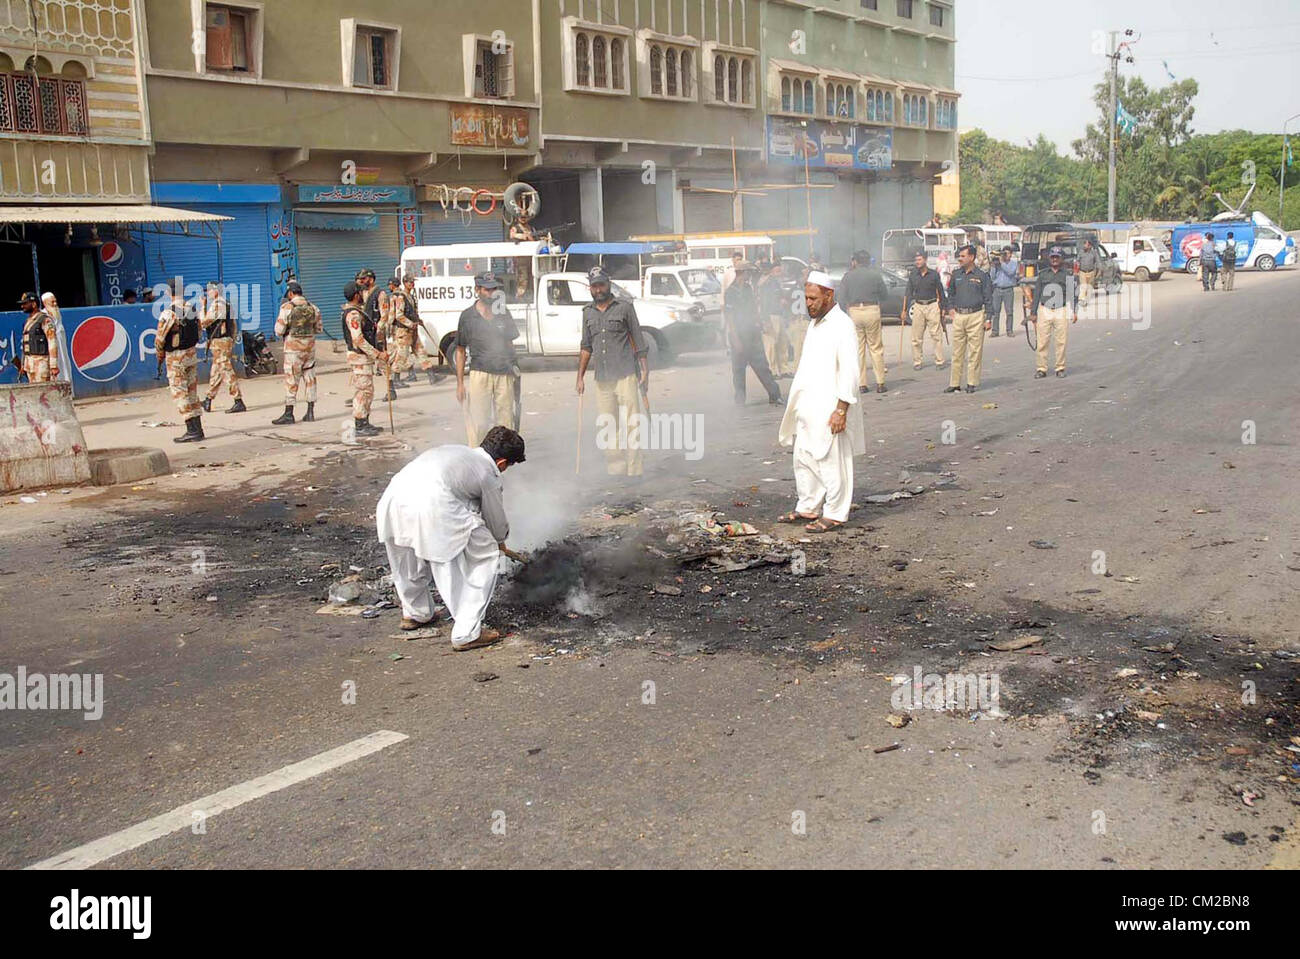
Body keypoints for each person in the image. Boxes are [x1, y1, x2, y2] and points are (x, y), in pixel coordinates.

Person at [376, 426, 526, 648]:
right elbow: (495, 523)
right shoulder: (489, 472)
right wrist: (499, 542)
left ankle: (415, 613)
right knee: (484, 556)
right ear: (502, 463)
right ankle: (467, 633)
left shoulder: (458, 451)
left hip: (393, 500)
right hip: (431, 507)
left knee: (408, 556)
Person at [776, 271, 864, 535]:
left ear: (829, 295)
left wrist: (841, 409)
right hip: (807, 406)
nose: (809, 303)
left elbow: (850, 370)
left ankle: (836, 513)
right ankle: (808, 507)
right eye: (806, 298)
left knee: (831, 460)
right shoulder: (816, 323)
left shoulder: (842, 324)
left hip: (829, 407)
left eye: (814, 298)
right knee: (803, 458)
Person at [576, 266, 650, 477]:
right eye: (594, 286)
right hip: (602, 378)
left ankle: (635, 470)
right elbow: (586, 346)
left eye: (601, 285)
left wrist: (645, 371)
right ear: (590, 288)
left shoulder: (624, 308)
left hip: (626, 374)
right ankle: (616, 469)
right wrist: (579, 377)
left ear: (608, 284)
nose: (598, 289)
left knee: (632, 423)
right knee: (608, 425)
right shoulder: (587, 312)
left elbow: (639, 340)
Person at [456, 272, 521, 444]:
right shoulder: (467, 316)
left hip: (504, 373)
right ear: (477, 289)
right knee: (479, 422)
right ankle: (476, 457)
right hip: (480, 373)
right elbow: (461, 350)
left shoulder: (503, 313)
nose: (491, 293)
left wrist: (515, 370)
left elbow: (510, 344)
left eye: (494, 289)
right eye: (487, 289)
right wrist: (460, 383)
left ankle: (504, 461)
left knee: (506, 422)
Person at [722, 260, 782, 407]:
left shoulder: (748, 288)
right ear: (741, 273)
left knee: (762, 366)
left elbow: (753, 309)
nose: (750, 275)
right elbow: (729, 317)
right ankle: (740, 400)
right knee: (738, 370)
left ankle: (774, 395)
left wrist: (759, 322)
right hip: (739, 335)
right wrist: (735, 339)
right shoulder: (730, 292)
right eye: (748, 272)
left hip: (752, 334)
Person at [156, 281, 204, 443]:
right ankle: (198, 429)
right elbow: (199, 330)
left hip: (176, 357)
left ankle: (191, 430)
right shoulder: (191, 308)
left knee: (180, 392)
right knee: (192, 392)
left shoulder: (168, 313)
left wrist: (160, 355)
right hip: (191, 354)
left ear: (169, 293)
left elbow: (160, 339)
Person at [943, 245, 992, 395]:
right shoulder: (956, 274)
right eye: (959, 256)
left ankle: (972, 382)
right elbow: (950, 294)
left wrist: (988, 318)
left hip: (976, 316)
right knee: (957, 352)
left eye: (963, 256)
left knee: (974, 352)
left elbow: (988, 298)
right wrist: (950, 309)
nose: (960, 258)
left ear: (971, 257)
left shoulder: (982, 275)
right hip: (959, 316)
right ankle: (954, 383)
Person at [272, 281, 322, 425]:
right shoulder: (313, 307)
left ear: (291, 293)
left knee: (291, 381)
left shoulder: (287, 308)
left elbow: (278, 330)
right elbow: (318, 329)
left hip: (293, 350)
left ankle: (289, 413)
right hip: (310, 349)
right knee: (310, 378)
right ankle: (310, 412)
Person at [839, 250, 889, 394]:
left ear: (855, 261)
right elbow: (884, 295)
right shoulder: (875, 275)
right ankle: (880, 382)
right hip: (872, 309)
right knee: (876, 347)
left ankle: (862, 384)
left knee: (858, 349)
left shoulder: (848, 276)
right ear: (868, 261)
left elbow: (841, 298)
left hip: (854, 312)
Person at [341, 280, 387, 438]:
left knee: (368, 391)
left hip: (363, 358)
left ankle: (365, 421)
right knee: (363, 391)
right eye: (361, 292)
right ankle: (360, 424)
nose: (363, 295)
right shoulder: (353, 314)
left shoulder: (357, 311)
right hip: (359, 358)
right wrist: (377, 354)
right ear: (356, 295)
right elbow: (358, 339)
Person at [1030, 246, 1078, 379]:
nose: (1055, 259)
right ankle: (1041, 368)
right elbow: (1037, 294)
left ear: (1061, 258)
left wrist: (1074, 311)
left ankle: (1060, 367)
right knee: (1042, 341)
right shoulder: (1043, 274)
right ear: (1049, 258)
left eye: (1057, 257)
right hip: (1045, 310)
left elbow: (1072, 294)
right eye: (1053, 257)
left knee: (1061, 341)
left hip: (1060, 310)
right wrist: (1033, 313)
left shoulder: (1067, 275)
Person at [200, 281, 245, 414]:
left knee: (225, 370)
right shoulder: (227, 303)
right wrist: (231, 339)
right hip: (224, 341)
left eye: (209, 291)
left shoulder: (218, 305)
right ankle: (208, 399)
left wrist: (202, 308)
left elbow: (204, 322)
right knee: (216, 371)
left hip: (220, 342)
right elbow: (234, 325)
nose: (207, 294)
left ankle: (238, 401)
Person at [903, 250, 947, 371]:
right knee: (916, 336)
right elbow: (908, 292)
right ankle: (917, 361)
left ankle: (939, 361)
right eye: (916, 260)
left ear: (925, 260)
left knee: (936, 335)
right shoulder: (913, 275)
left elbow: (941, 291)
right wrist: (905, 309)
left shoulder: (933, 274)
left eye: (919, 259)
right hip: (918, 306)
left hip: (932, 305)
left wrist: (943, 308)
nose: (917, 262)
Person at [395, 273, 439, 384]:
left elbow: (412, 312)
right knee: (402, 355)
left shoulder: (411, 297)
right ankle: (395, 379)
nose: (412, 284)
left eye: (413, 282)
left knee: (421, 352)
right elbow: (399, 315)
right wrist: (411, 324)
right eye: (410, 282)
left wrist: (418, 320)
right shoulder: (401, 297)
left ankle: (431, 375)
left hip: (413, 331)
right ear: (405, 283)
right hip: (404, 331)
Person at [758, 259, 793, 378]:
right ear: (772, 272)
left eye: (780, 270)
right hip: (770, 316)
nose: (780, 272)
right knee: (771, 345)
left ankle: (783, 369)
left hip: (779, 315)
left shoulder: (777, 283)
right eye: (777, 271)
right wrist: (765, 320)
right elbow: (763, 302)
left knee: (783, 343)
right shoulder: (767, 283)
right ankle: (772, 371)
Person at [17, 293, 59, 383]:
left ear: (34, 304)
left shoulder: (44, 319)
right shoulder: (28, 322)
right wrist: (23, 365)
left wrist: (53, 365)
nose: (22, 306)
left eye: (25, 303)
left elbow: (52, 342)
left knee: (44, 393)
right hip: (29, 365)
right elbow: (26, 345)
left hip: (41, 364)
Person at [39, 293, 70, 386]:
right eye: (52, 302)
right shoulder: (43, 317)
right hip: (52, 354)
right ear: (45, 303)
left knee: (65, 371)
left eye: (55, 301)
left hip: (62, 353)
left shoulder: (57, 315)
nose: (55, 304)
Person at [987, 246, 1019, 337]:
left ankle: (1009, 330)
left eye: (1007, 254)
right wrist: (993, 266)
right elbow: (992, 277)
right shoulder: (997, 264)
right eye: (1003, 253)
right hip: (997, 289)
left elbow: (1010, 272)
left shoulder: (1013, 263)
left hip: (1008, 289)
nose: (1005, 255)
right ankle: (995, 331)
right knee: (995, 311)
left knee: (1009, 311)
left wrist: (1002, 263)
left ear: (1011, 254)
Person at [1077, 239, 1100, 306]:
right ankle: (1082, 299)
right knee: (1083, 286)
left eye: (1086, 244)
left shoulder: (1094, 253)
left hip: (1091, 272)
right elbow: (1077, 261)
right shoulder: (1081, 252)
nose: (1085, 246)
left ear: (1090, 246)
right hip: (1082, 272)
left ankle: (1086, 300)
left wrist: (1099, 271)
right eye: (1084, 244)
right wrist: (1076, 268)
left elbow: (1098, 262)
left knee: (1089, 287)